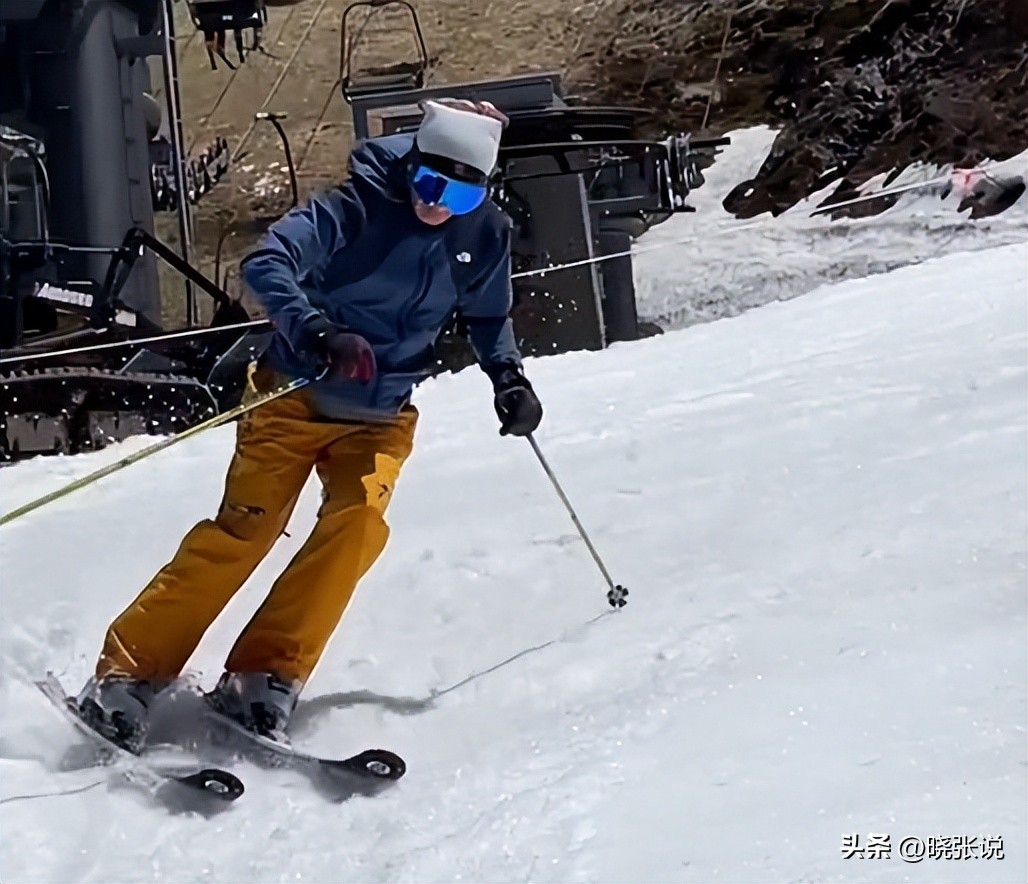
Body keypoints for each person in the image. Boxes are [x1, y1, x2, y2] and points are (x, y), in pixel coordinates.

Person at [76, 99, 543, 749]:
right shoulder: (353, 208)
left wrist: (509, 379)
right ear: (413, 164)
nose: (438, 205)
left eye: (460, 197)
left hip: (380, 415)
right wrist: (318, 331)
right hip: (292, 398)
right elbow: (267, 262)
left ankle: (264, 673)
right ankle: (127, 674)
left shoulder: (483, 233)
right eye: (429, 184)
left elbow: (490, 317)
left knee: (358, 526)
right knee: (246, 534)